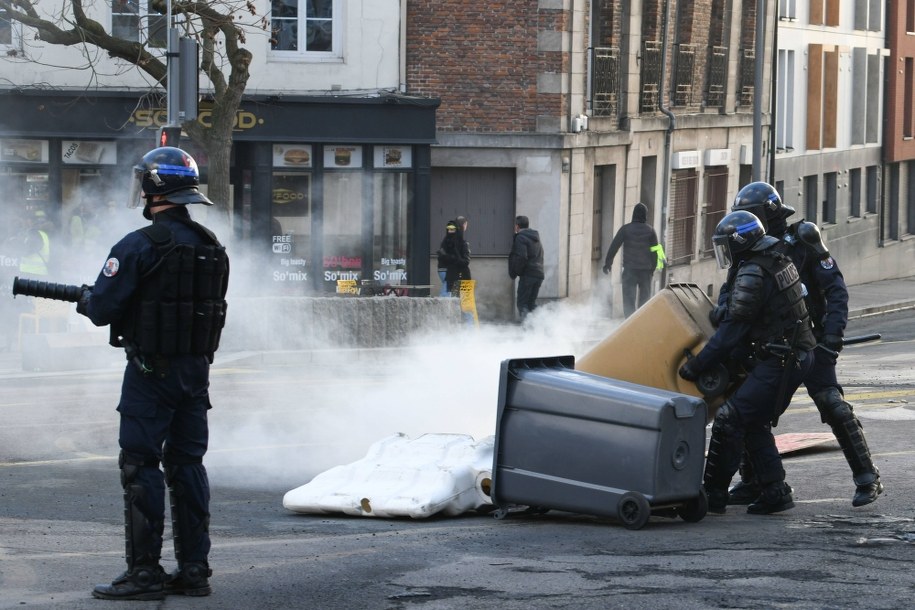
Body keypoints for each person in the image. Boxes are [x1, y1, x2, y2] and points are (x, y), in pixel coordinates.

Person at [76, 146, 230, 600]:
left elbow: (102, 308)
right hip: (195, 373)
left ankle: (144, 573)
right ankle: (194, 570)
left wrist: (88, 299)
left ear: (153, 189)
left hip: (150, 372)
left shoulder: (138, 245)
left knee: (141, 464)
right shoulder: (211, 246)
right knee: (188, 464)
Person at [725, 182, 883, 507]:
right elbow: (732, 289)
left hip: (812, 341)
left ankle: (868, 477)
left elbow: (835, 290)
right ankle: (755, 481)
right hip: (774, 345)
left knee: (833, 406)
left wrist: (832, 339)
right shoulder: (752, 247)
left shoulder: (803, 238)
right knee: (752, 410)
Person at [678, 210, 815, 515]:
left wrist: (697, 365)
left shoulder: (754, 271)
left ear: (741, 241)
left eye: (727, 244)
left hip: (782, 358)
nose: (724, 252)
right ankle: (773, 489)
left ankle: (712, 494)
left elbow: (731, 331)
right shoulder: (771, 258)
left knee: (730, 417)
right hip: (791, 355)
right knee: (752, 419)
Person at [602, 202, 664, 318]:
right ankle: (641, 324)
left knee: (628, 300)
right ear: (645, 215)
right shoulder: (650, 231)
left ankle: (629, 323)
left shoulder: (625, 229)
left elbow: (614, 247)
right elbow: (655, 252)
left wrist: (608, 264)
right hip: (645, 271)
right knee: (644, 301)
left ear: (634, 214)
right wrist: (652, 269)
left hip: (630, 270)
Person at [508, 215, 544, 321]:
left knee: (522, 304)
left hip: (528, 275)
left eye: (515, 225)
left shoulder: (520, 237)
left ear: (517, 226)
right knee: (531, 304)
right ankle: (545, 323)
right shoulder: (535, 237)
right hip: (539, 274)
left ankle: (528, 330)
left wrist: (517, 271)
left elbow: (521, 257)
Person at [436, 219, 471, 296]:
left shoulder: (446, 241)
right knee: (449, 293)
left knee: (451, 293)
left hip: (448, 270)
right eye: (449, 229)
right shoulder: (458, 242)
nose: (450, 231)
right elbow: (465, 261)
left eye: (452, 229)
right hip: (452, 271)